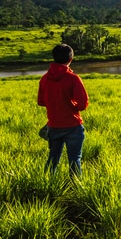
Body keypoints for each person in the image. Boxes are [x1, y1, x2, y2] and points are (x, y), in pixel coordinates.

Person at [37, 43, 89, 175]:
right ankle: (75, 187)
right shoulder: (73, 79)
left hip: (54, 125)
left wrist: (56, 104)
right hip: (73, 125)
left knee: (53, 158)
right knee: (75, 159)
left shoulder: (44, 79)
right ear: (70, 60)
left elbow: (41, 101)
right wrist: (71, 106)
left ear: (54, 58)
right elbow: (83, 104)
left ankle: (47, 184)